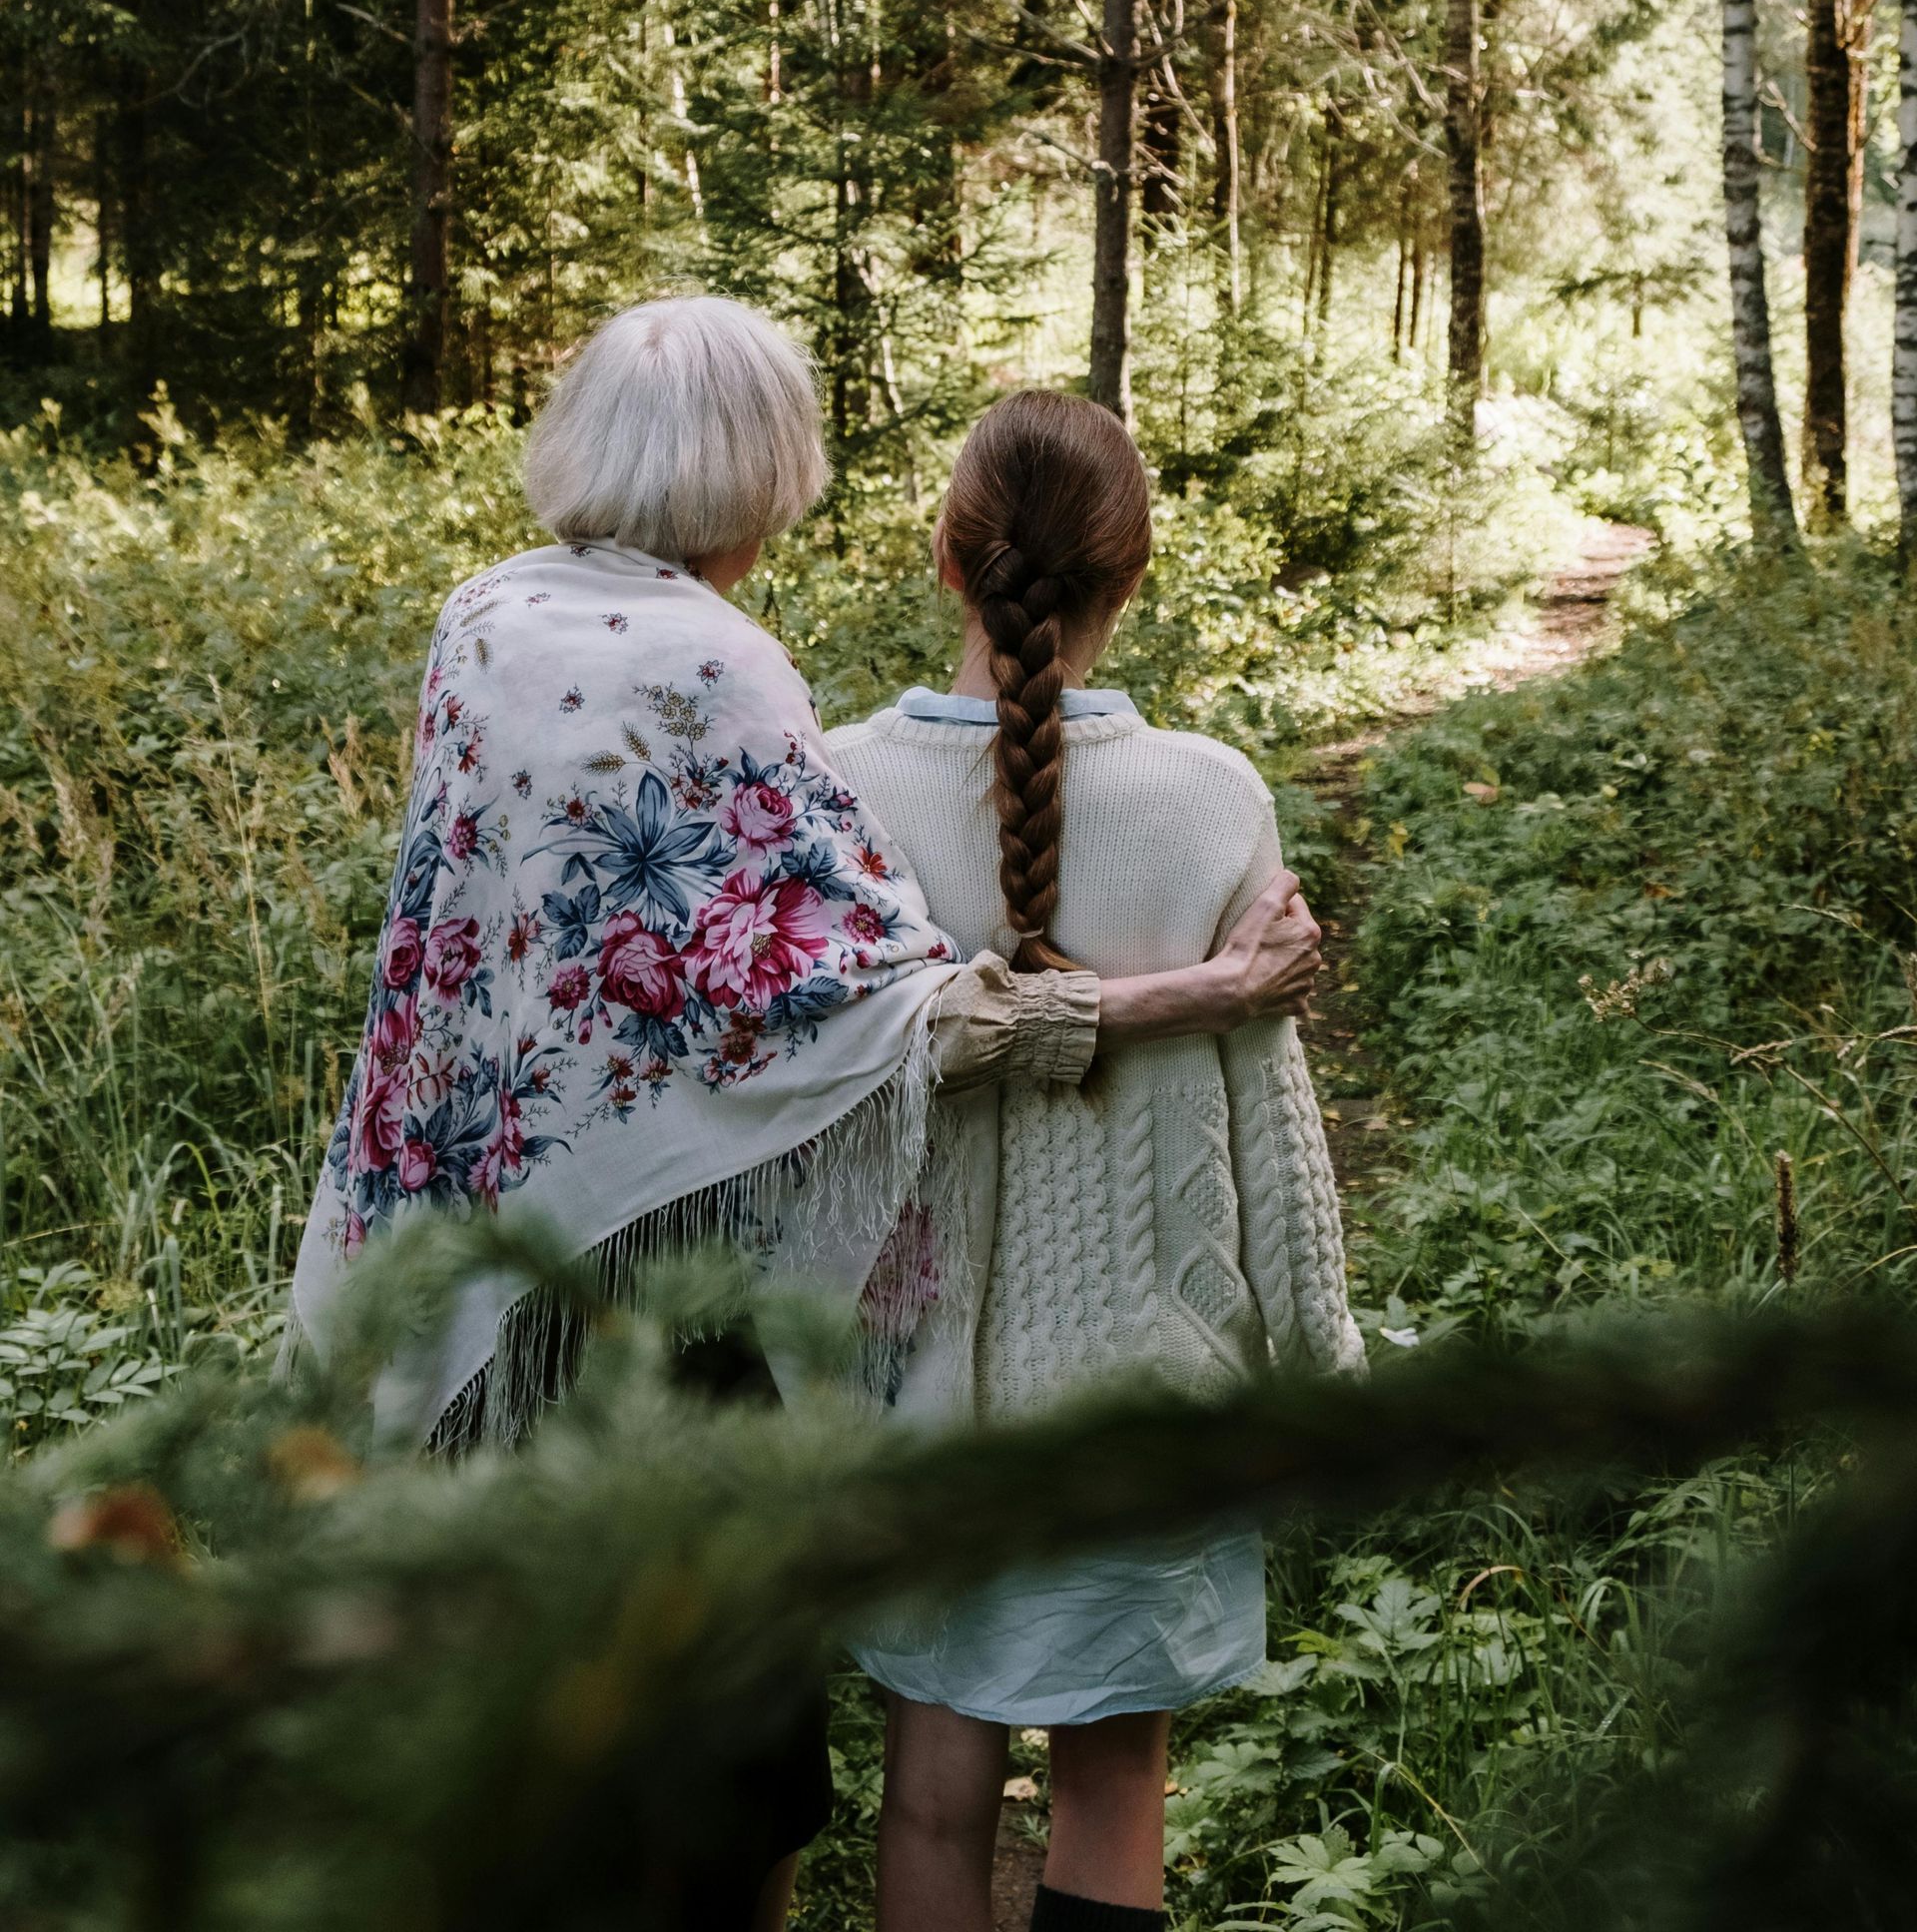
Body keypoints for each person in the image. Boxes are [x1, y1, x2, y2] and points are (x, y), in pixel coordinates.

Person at [285, 299, 1327, 1932]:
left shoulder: (483, 621)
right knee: (762, 1750)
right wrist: (1178, 1003)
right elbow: (862, 1012)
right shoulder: (731, 672)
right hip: (719, 1282)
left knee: (637, 1735)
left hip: (512, 1250)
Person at [828, 388, 1364, 1932]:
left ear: (948, 555)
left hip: (911, 1372)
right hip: (1150, 1371)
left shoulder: (841, 791)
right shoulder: (1209, 799)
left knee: (934, 1783)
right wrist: (1313, 1355)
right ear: (1137, 573)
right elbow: (1271, 1103)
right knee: (1115, 1777)